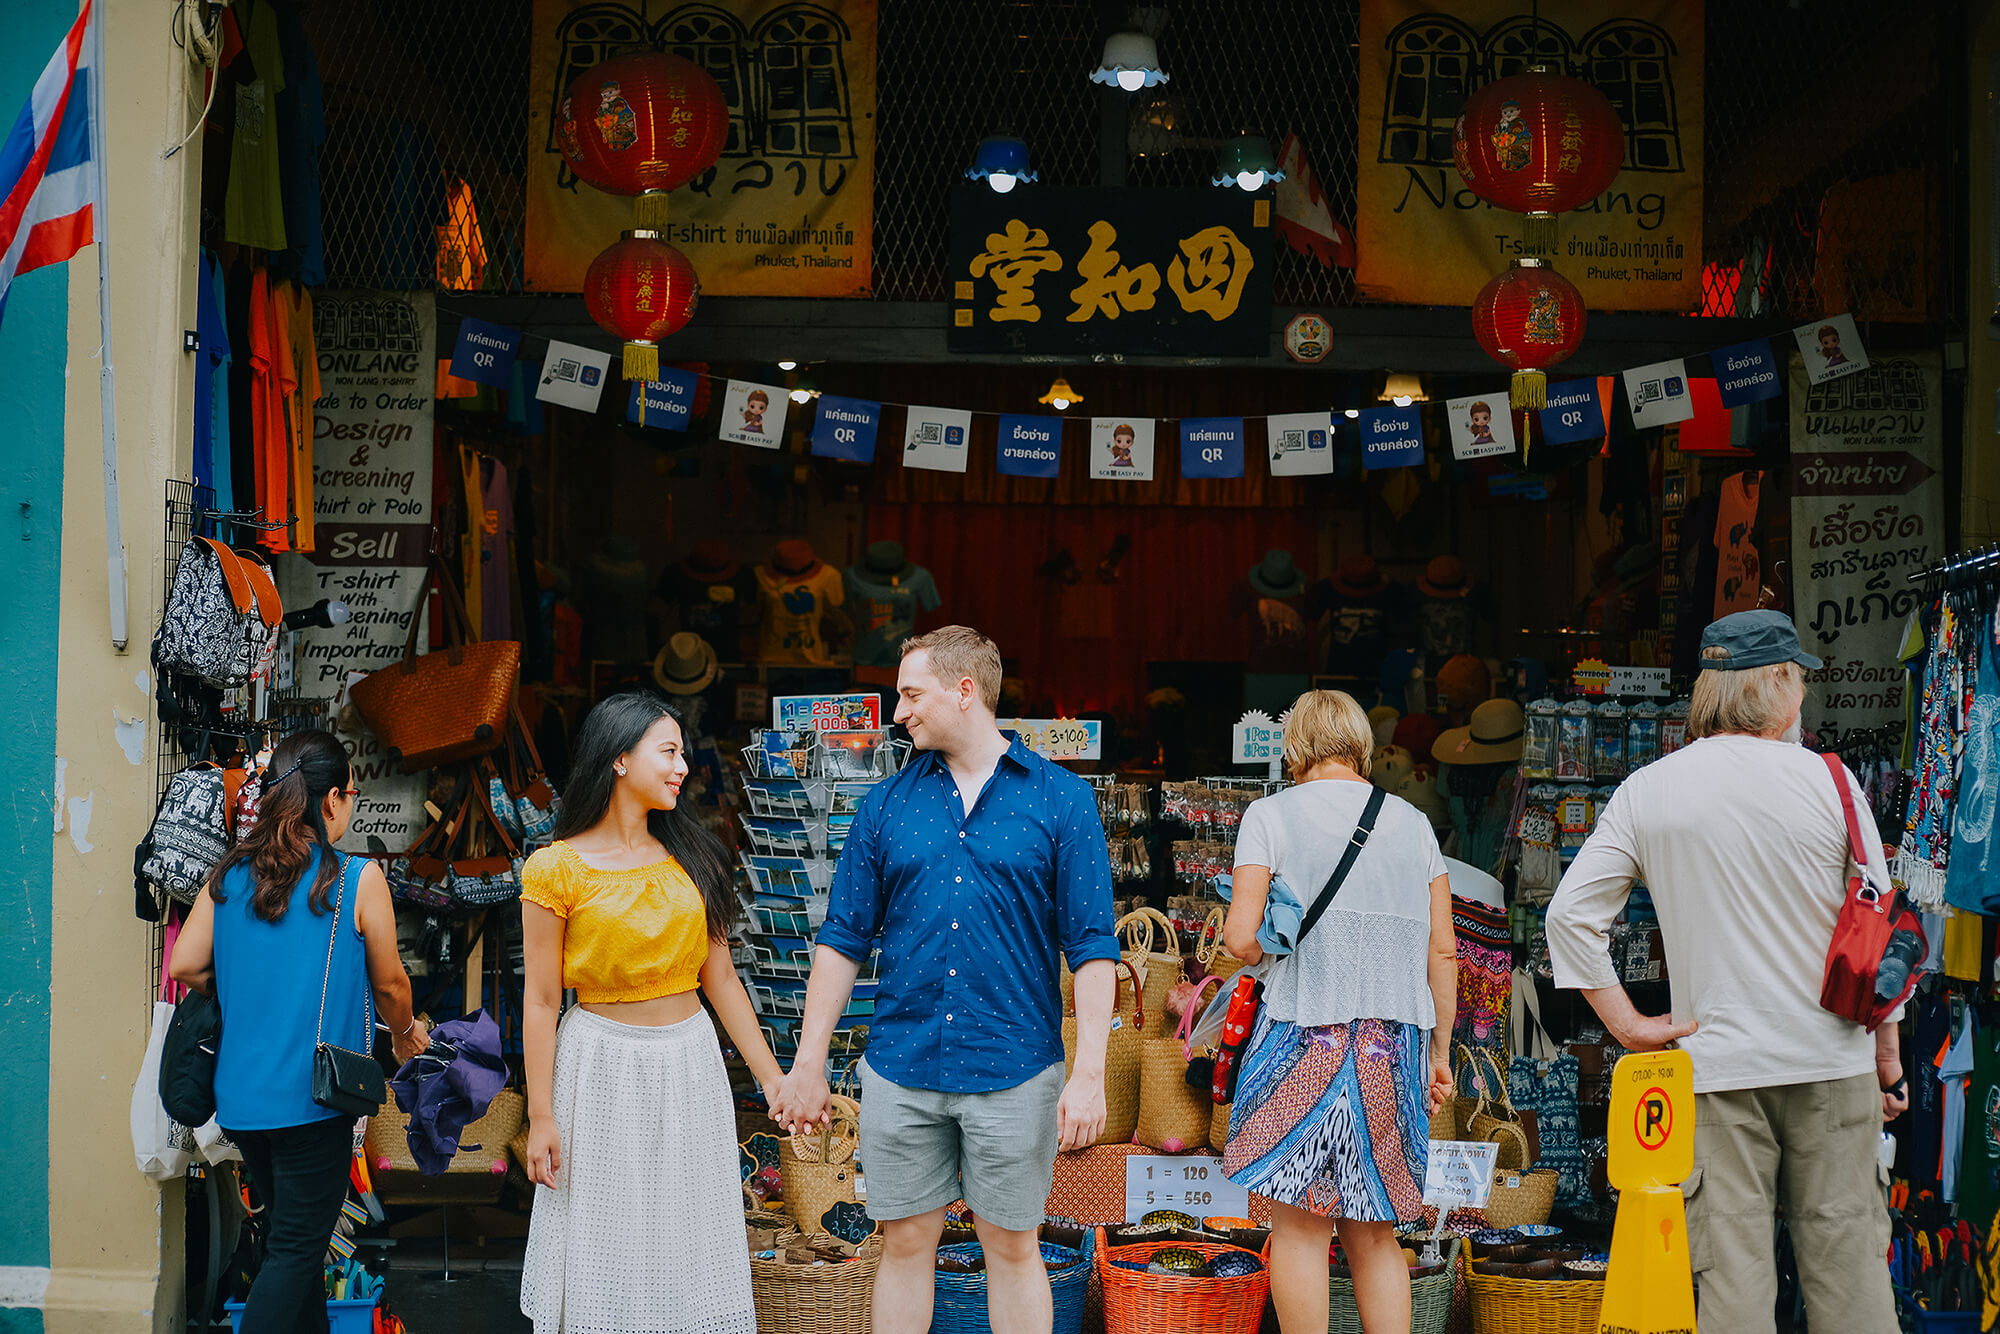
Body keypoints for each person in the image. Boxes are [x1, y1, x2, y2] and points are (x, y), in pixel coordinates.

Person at [1546, 610, 1906, 1334]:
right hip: (1830, 1064)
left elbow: (1569, 918)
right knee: (1852, 1283)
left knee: (1733, 1291)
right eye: (1797, 677)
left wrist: (1627, 1025)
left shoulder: (1651, 790)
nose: (1801, 692)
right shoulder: (1831, 782)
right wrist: (1887, 1062)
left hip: (1714, 1068)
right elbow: (1880, 933)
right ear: (1777, 682)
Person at [770, 626, 1119, 1334]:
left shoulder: (1061, 800)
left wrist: (1090, 1075)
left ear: (965, 691)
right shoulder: (887, 805)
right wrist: (807, 1064)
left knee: (1014, 1249)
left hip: (1016, 1068)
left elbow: (1092, 948)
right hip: (902, 1066)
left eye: (910, 693)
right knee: (903, 1244)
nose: (899, 712)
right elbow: (841, 940)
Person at [518, 693, 784, 1334]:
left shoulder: (695, 858)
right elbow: (542, 999)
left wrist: (773, 1079)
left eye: (682, 753)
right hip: (599, 1064)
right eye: (667, 751)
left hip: (691, 1063)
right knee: (605, 1231)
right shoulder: (554, 868)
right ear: (618, 760)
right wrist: (540, 1114)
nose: (681, 766)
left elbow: (720, 979)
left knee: (688, 1227)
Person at [169, 730, 430, 1334]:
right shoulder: (357, 879)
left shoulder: (231, 874)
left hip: (240, 1102)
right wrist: (403, 1034)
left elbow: (184, 964)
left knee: (297, 1250)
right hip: (314, 1104)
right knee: (295, 1253)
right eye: (350, 795)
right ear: (332, 799)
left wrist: (239, 985)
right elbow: (391, 984)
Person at [1220, 691, 1456, 1334]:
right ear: (1361, 744)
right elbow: (1442, 949)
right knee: (1375, 1235)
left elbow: (1241, 940)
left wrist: (1272, 926)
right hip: (1394, 1043)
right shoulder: (1414, 824)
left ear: (1294, 746)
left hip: (1302, 1037)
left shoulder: (1269, 816)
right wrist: (1439, 1055)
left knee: (1299, 1230)